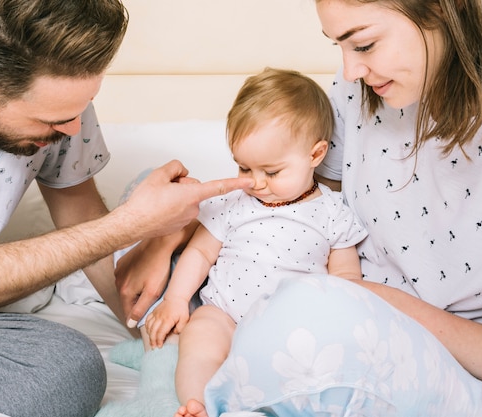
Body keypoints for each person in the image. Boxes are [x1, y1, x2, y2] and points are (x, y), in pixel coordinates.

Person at [116, 0, 482, 415]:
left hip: (432, 351)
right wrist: (176, 231)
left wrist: (369, 303)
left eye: (365, 45)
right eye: (340, 46)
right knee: (146, 195)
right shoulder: (362, 81)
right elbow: (299, 204)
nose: (349, 72)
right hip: (321, 302)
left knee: (300, 326)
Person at [0, 1, 251, 416]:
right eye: (54, 122)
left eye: (81, 109)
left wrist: (165, 334)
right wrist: (129, 224)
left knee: (65, 368)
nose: (74, 129)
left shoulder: (53, 91)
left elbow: (81, 216)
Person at [140, 67, 367, 417]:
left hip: (288, 325)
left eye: (271, 172)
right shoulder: (234, 203)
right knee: (199, 341)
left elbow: (347, 279)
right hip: (224, 313)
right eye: (244, 168)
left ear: (315, 155)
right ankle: (200, 404)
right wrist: (175, 300)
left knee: (305, 365)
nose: (255, 183)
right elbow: (200, 252)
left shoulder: (332, 211)